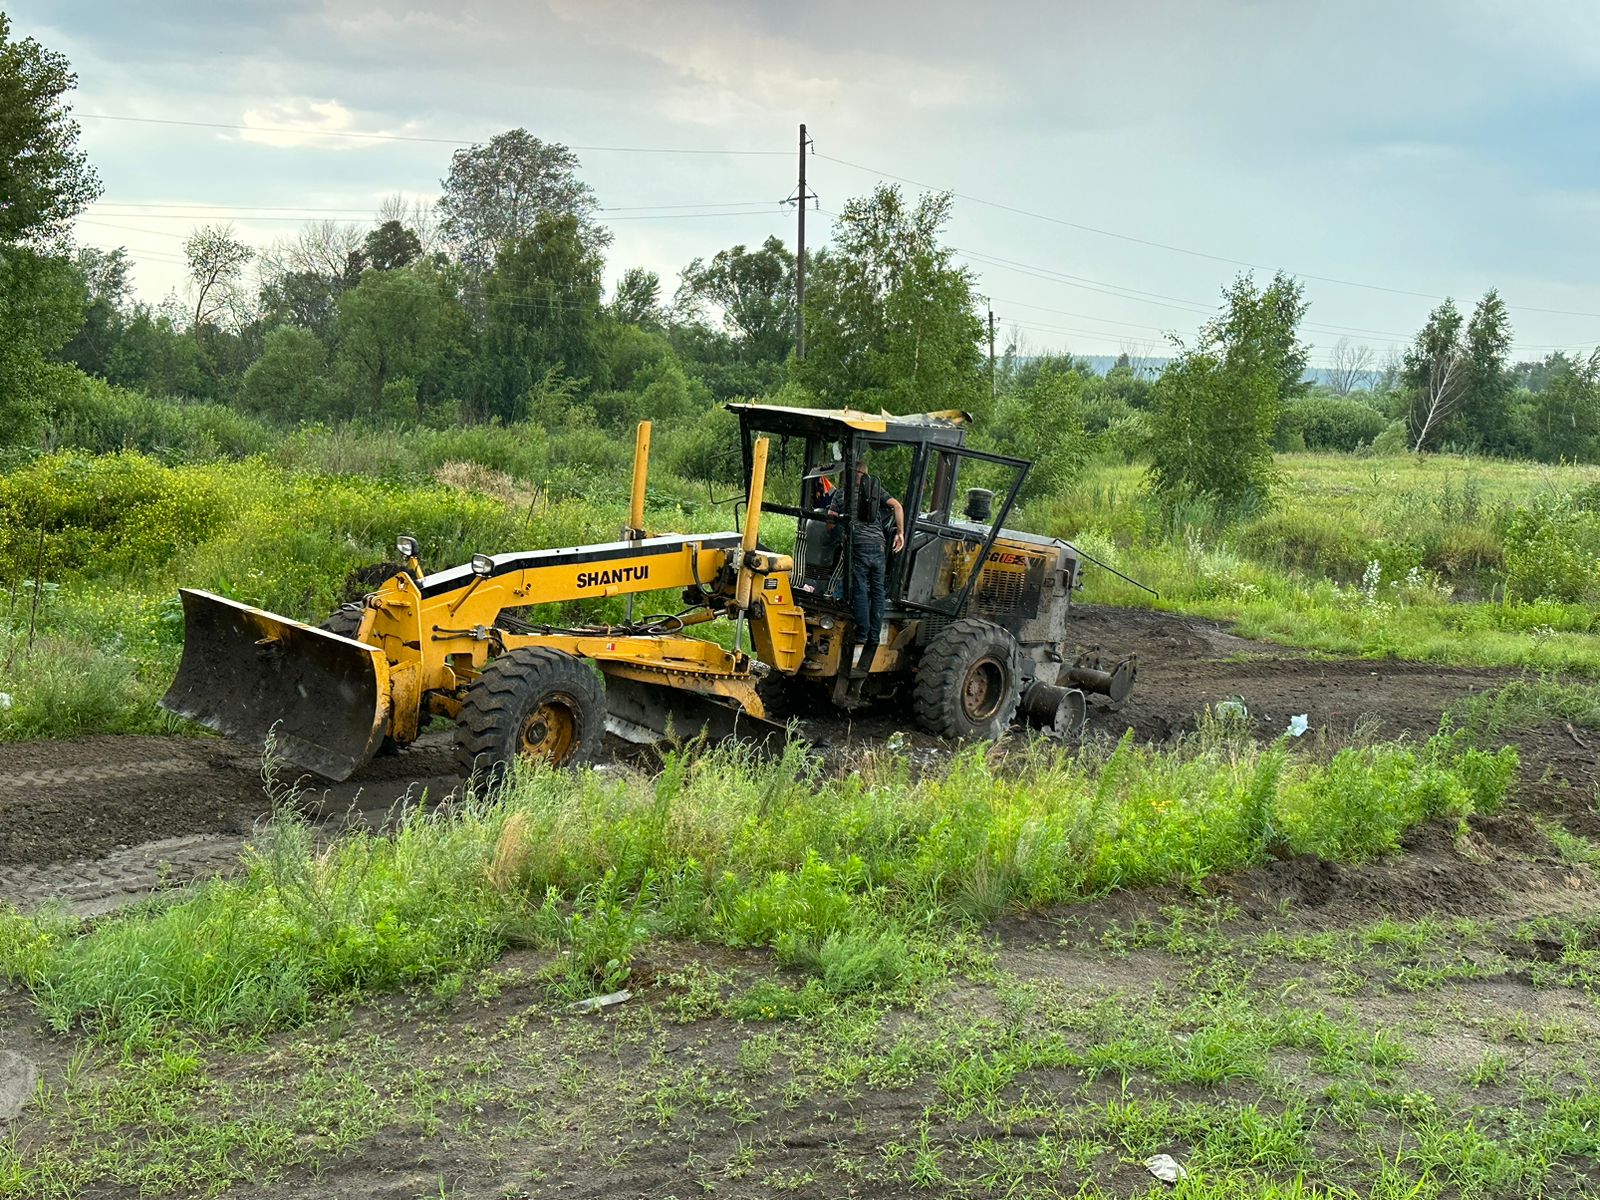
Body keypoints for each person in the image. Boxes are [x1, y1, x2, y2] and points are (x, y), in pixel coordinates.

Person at [828, 451, 904, 673]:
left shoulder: (841, 495)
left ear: (850, 475)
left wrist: (835, 525)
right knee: (878, 591)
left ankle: (862, 633)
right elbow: (897, 506)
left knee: (860, 588)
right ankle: (874, 635)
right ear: (866, 476)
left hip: (858, 545)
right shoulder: (876, 492)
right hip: (879, 545)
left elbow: (830, 523)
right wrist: (900, 533)